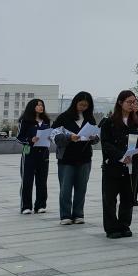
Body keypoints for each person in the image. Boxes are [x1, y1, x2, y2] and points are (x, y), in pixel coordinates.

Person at [99, 90, 138, 237]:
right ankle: (111, 228)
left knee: (128, 197)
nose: (132, 105)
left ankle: (124, 225)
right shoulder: (109, 122)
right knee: (110, 199)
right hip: (113, 166)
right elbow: (106, 144)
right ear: (120, 103)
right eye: (129, 102)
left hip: (132, 166)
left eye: (134, 102)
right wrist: (120, 156)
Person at [52, 92, 99, 224]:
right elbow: (53, 135)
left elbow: (96, 138)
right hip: (66, 158)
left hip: (84, 158)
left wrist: (94, 138)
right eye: (81, 104)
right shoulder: (64, 117)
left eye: (86, 105)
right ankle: (65, 215)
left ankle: (78, 214)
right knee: (65, 188)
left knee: (81, 188)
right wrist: (69, 137)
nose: (83, 107)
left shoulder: (90, 118)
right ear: (75, 103)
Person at [16, 98, 52, 214]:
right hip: (29, 153)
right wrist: (30, 140)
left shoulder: (46, 121)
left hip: (43, 153)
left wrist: (50, 137)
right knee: (27, 180)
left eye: (42, 105)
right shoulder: (25, 121)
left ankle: (40, 205)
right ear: (32, 107)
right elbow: (19, 138)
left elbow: (49, 134)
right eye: (38, 105)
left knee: (42, 181)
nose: (41, 107)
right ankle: (26, 206)